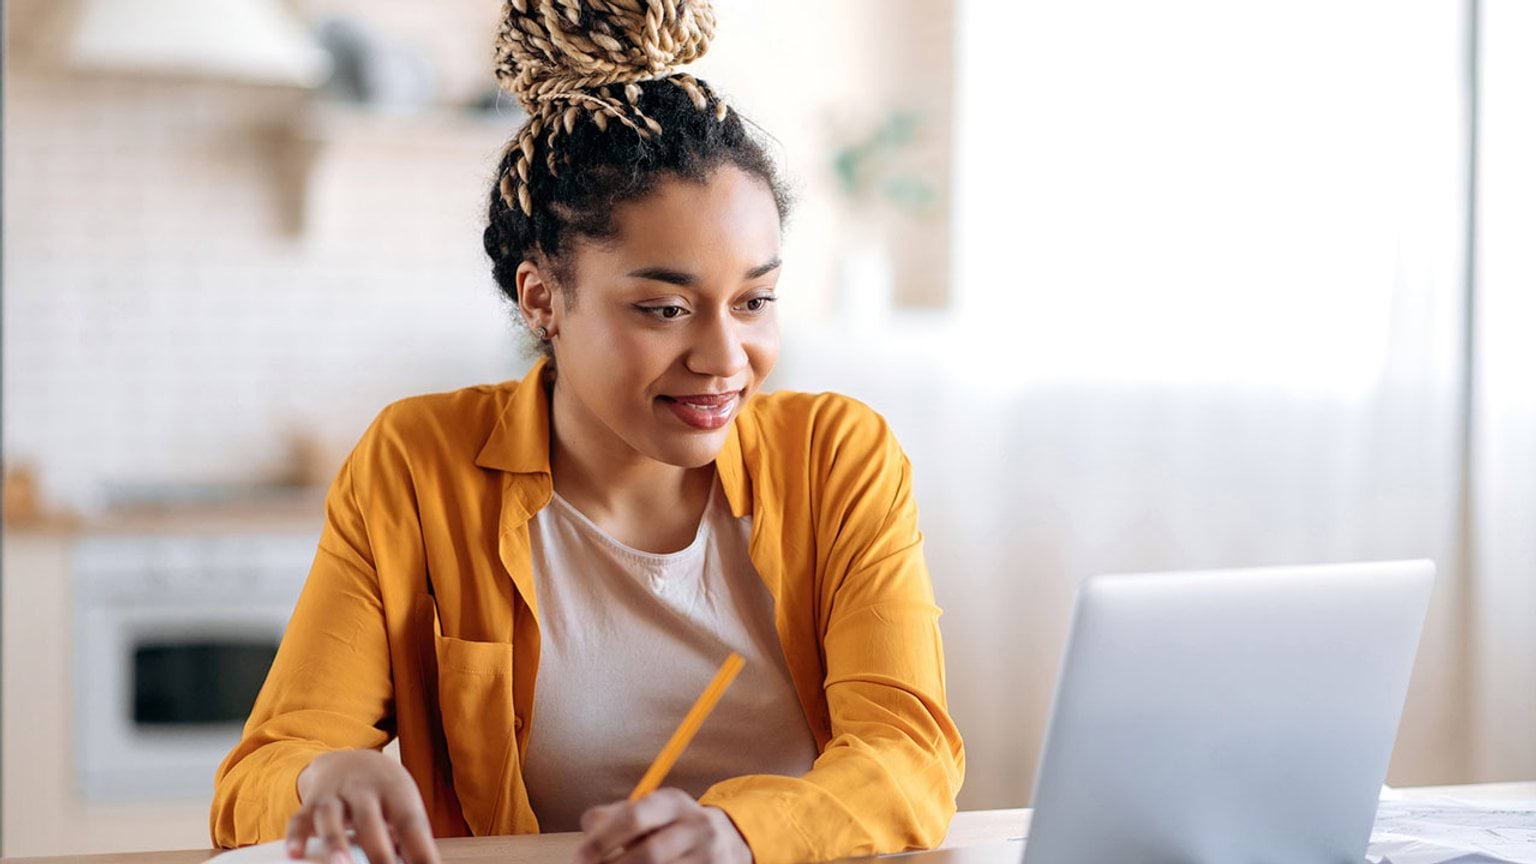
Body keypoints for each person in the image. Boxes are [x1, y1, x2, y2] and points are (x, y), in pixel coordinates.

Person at [209, 2, 964, 862]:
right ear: (542, 299)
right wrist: (322, 779)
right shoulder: (417, 465)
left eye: (755, 301)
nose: (725, 359)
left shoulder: (837, 456)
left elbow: (911, 756)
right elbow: (257, 781)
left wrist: (738, 837)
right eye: (664, 308)